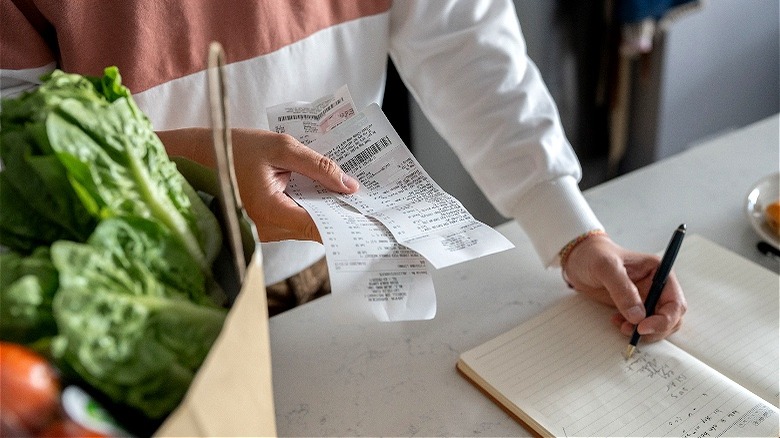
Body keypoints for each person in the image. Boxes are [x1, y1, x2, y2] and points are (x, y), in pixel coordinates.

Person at [1, 0, 685, 340]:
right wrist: (191, 170)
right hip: (124, 298)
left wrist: (570, 228)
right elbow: (14, 130)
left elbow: (462, 36)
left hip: (337, 275)